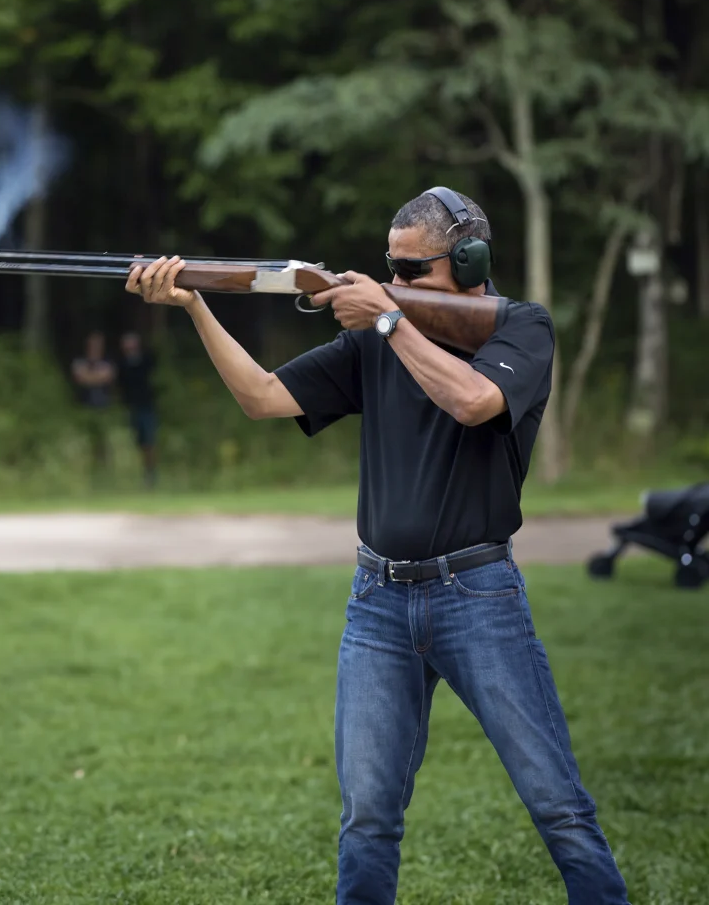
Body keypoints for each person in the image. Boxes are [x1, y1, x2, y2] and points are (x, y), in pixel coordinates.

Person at [125, 187, 630, 905]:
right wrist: (195, 307)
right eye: (386, 268)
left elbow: (474, 401)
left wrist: (390, 319)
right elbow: (263, 397)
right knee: (366, 819)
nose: (393, 282)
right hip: (378, 605)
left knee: (559, 808)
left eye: (410, 270)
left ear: (470, 260)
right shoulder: (376, 335)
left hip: (478, 596)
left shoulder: (522, 328)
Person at [71, 331, 117, 473]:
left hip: (104, 408)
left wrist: (89, 377)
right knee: (84, 442)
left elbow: (107, 376)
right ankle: (85, 471)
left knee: (103, 443)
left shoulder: (107, 362)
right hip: (84, 407)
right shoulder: (80, 361)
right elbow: (80, 378)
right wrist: (96, 377)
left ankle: (103, 472)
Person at [118, 331, 159, 488]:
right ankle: (132, 475)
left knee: (148, 441)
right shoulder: (121, 364)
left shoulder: (146, 360)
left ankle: (150, 474)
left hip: (146, 406)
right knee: (133, 442)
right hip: (129, 408)